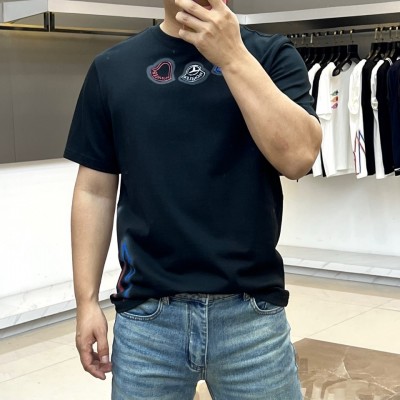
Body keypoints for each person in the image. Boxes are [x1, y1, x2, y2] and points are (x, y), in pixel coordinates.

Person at [64, 0, 322, 399]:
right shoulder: (112, 67)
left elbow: (299, 158)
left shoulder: (270, 55)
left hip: (252, 315)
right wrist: (85, 302)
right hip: (147, 318)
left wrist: (232, 56)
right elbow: (94, 190)